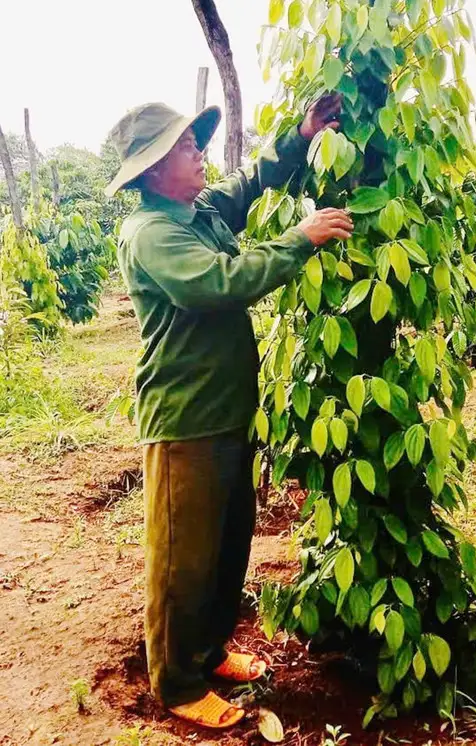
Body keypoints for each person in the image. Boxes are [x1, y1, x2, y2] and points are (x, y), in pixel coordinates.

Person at [104, 97, 353, 729]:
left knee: (224, 545)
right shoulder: (153, 232)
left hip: (227, 412)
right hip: (184, 418)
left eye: (195, 144)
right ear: (154, 168)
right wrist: (300, 240)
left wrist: (300, 138)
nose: (200, 156)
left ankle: (209, 651)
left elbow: (252, 182)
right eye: (187, 148)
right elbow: (217, 282)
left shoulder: (198, 211)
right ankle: (178, 683)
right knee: (182, 558)